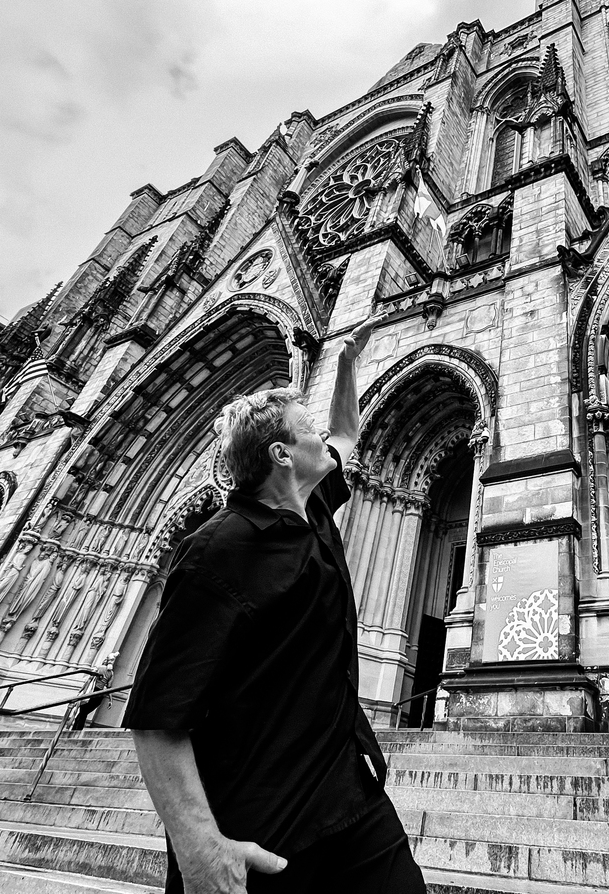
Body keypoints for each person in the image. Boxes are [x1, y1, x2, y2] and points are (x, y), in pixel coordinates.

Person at [125, 314, 424, 894]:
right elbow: (158, 713)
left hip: (351, 798)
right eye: (305, 428)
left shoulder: (309, 509)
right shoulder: (221, 547)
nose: (322, 438)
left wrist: (345, 364)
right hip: (266, 830)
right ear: (283, 454)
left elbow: (346, 435)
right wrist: (200, 850)